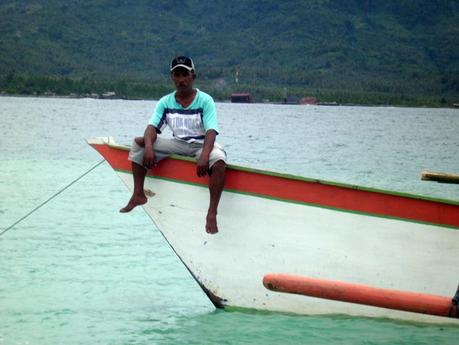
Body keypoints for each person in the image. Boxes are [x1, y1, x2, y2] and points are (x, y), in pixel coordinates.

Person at [120, 56, 226, 234]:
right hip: (177, 143)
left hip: (200, 145)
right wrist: (148, 147)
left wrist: (205, 156)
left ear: (193, 76)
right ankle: (138, 194)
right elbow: (152, 128)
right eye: (177, 75)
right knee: (139, 142)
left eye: (185, 74)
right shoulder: (166, 102)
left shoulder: (205, 100)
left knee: (220, 161)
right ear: (172, 77)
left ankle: (212, 212)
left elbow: (211, 132)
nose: (181, 80)